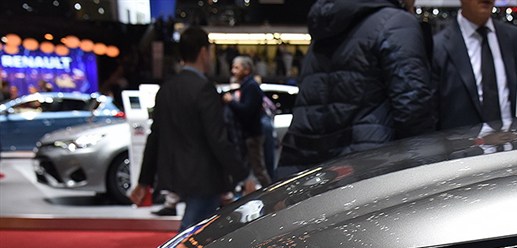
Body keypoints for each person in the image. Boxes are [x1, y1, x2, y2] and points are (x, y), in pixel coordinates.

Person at [277, 0, 434, 178]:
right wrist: (424, 171)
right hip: (370, 169)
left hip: (308, 170)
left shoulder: (326, 26)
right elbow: (413, 108)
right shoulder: (396, 23)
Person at [130, 27, 247, 230]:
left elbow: (154, 136)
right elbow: (218, 138)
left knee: (196, 230)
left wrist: (143, 181)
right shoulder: (204, 89)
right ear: (203, 52)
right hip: (204, 176)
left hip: (175, 173)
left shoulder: (166, 89)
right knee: (192, 232)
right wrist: (242, 175)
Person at [431, 0, 517, 132]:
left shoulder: (514, 38)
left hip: (515, 140)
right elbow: (432, 113)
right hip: (462, 142)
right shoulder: (438, 47)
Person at [223, 56, 271, 189]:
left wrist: (231, 101)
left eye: (237, 68)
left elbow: (247, 110)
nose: (233, 71)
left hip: (252, 135)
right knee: (249, 170)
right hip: (248, 135)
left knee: (258, 170)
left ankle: (272, 194)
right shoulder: (247, 86)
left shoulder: (251, 86)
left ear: (246, 70)